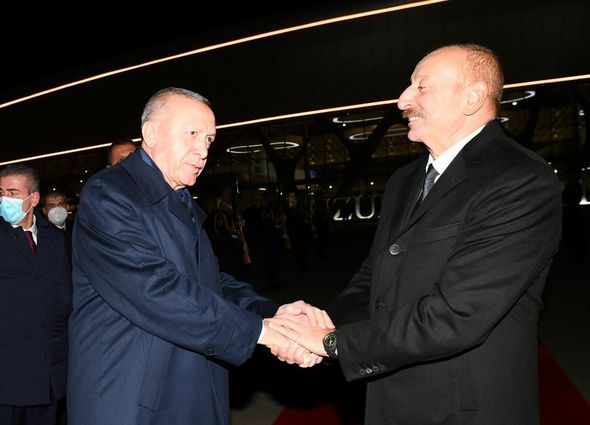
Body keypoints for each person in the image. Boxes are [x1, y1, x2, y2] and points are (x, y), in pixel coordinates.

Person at [269, 44, 563, 425]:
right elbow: (373, 279)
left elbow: (457, 314)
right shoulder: (404, 180)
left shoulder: (520, 180)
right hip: (388, 400)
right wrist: (324, 324)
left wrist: (333, 343)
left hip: (464, 410)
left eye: (421, 87)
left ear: (472, 97)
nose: (403, 100)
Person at [67, 87, 328, 425]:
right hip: (130, 395)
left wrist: (273, 313)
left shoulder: (180, 200)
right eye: (191, 133)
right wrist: (262, 332)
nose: (203, 150)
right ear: (151, 133)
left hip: (188, 387)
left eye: (208, 140)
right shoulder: (109, 194)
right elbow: (155, 290)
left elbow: (210, 281)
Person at [0, 164, 72, 425]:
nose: (4, 200)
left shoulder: (55, 239)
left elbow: (65, 297)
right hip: (8, 374)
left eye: (12, 193)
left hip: (50, 375)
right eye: (1, 193)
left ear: (34, 198)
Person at [42, 189, 72, 264]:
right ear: (45, 211)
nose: (57, 209)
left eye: (61, 204)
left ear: (67, 207)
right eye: (52, 206)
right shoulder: (40, 236)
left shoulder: (77, 230)